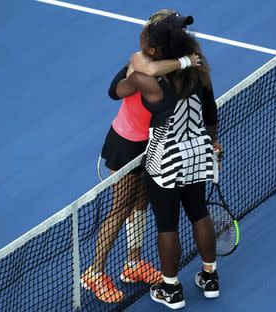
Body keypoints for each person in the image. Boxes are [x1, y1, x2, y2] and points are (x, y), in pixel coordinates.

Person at [80, 11, 200, 304]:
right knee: (119, 208)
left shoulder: (162, 62)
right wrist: (185, 62)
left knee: (141, 204)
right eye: (175, 31)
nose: (181, 35)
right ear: (156, 42)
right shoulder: (141, 64)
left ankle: (133, 263)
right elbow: (137, 82)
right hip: (125, 145)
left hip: (149, 145)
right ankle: (94, 272)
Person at [114, 20, 222, 309]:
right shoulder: (200, 72)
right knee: (199, 212)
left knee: (167, 224)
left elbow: (116, 91)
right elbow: (210, 112)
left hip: (167, 158)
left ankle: (171, 289)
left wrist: (134, 66)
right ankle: (210, 277)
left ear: (154, 50)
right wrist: (213, 144)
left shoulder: (148, 80)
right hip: (198, 150)